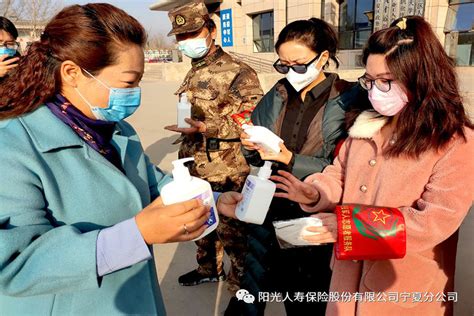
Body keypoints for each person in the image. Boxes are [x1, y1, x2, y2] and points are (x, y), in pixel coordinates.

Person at [0, 4, 241, 315]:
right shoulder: (13, 145)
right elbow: (14, 262)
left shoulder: (114, 129)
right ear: (72, 73)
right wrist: (135, 235)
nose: (136, 93)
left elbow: (149, 181)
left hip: (136, 299)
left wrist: (213, 199)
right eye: (128, 82)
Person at [271, 16, 473, 315]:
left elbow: (435, 221)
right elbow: (338, 174)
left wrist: (350, 227)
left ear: (421, 77)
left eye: (387, 81)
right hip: (347, 278)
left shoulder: (453, 141)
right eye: (370, 80)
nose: (376, 90)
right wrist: (315, 194)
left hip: (401, 289)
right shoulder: (366, 126)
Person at [232, 17, 369, 316]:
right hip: (270, 205)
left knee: (306, 295)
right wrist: (250, 145)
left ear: (322, 58)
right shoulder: (278, 94)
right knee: (254, 290)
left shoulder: (349, 99)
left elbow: (347, 166)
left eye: (298, 64)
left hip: (314, 210)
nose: (290, 72)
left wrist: (291, 161)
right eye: (282, 64)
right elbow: (257, 156)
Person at [164, 1, 263, 293]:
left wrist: (208, 127)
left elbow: (251, 120)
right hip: (193, 160)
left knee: (232, 229)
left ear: (211, 30)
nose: (186, 42)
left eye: (193, 33)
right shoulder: (195, 69)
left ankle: (241, 279)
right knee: (199, 219)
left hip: (226, 164)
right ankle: (209, 268)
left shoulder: (238, 71)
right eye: (181, 37)